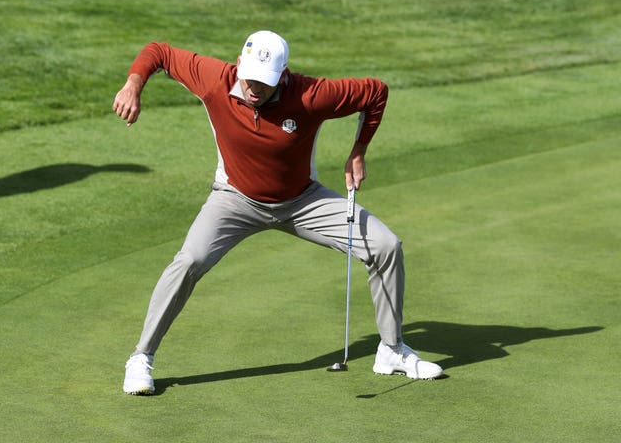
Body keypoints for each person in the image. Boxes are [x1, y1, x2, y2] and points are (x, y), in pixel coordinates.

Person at [113, 30, 443, 395]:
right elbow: (158, 51)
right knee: (190, 260)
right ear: (239, 65)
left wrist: (359, 149)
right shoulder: (213, 79)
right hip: (234, 199)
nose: (255, 88)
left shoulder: (310, 95)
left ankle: (391, 350)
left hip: (303, 201)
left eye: (265, 83)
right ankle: (141, 357)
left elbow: (376, 91)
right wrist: (133, 85)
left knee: (386, 245)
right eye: (250, 77)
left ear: (283, 75)